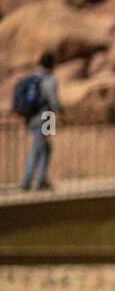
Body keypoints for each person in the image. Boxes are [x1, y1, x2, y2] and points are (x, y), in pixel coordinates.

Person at [20, 52, 60, 192]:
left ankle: (41, 179)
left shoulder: (34, 78)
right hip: (46, 117)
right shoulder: (50, 80)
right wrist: (61, 112)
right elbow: (53, 101)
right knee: (38, 148)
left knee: (45, 147)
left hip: (34, 117)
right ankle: (26, 181)